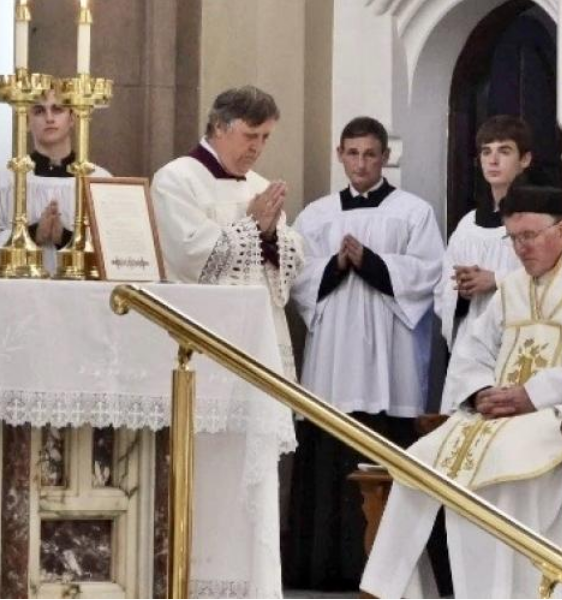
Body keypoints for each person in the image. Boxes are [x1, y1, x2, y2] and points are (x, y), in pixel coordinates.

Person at [360, 185, 562, 599]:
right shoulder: (513, 289)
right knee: (420, 460)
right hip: (509, 418)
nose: (520, 249)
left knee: (508, 460)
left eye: (529, 236)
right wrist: (480, 393)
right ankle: (391, 590)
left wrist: (533, 395)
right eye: (513, 238)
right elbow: (473, 348)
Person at [150, 85, 304, 597]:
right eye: (250, 134)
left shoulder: (259, 186)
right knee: (205, 471)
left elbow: (288, 267)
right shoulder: (177, 180)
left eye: (265, 137)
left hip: (255, 349)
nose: (258, 146)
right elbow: (190, 257)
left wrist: (268, 233)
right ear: (219, 127)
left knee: (253, 475)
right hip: (203, 351)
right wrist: (251, 225)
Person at [286, 116, 444, 590]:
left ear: (385, 157)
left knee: (386, 446)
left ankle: (389, 573)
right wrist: (335, 264)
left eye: (370, 154)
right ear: (340, 155)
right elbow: (296, 277)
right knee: (328, 451)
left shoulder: (413, 212)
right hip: (332, 356)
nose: (361, 163)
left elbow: (429, 274)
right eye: (352, 154)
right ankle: (321, 566)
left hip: (389, 364)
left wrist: (372, 263)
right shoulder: (316, 215)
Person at [0, 89, 111, 274]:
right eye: (39, 111)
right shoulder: (5, 181)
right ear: (27, 121)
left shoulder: (99, 180)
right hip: (20, 292)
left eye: (58, 109)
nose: (49, 118)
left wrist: (66, 238)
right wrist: (33, 233)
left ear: (73, 118)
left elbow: (115, 246)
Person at [435, 115, 533, 353]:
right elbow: (442, 291)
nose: (493, 160)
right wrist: (461, 289)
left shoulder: (539, 219)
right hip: (471, 345)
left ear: (525, 159)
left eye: (505, 151)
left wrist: (496, 280)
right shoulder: (468, 225)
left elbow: (553, 281)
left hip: (520, 343)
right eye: (486, 152)